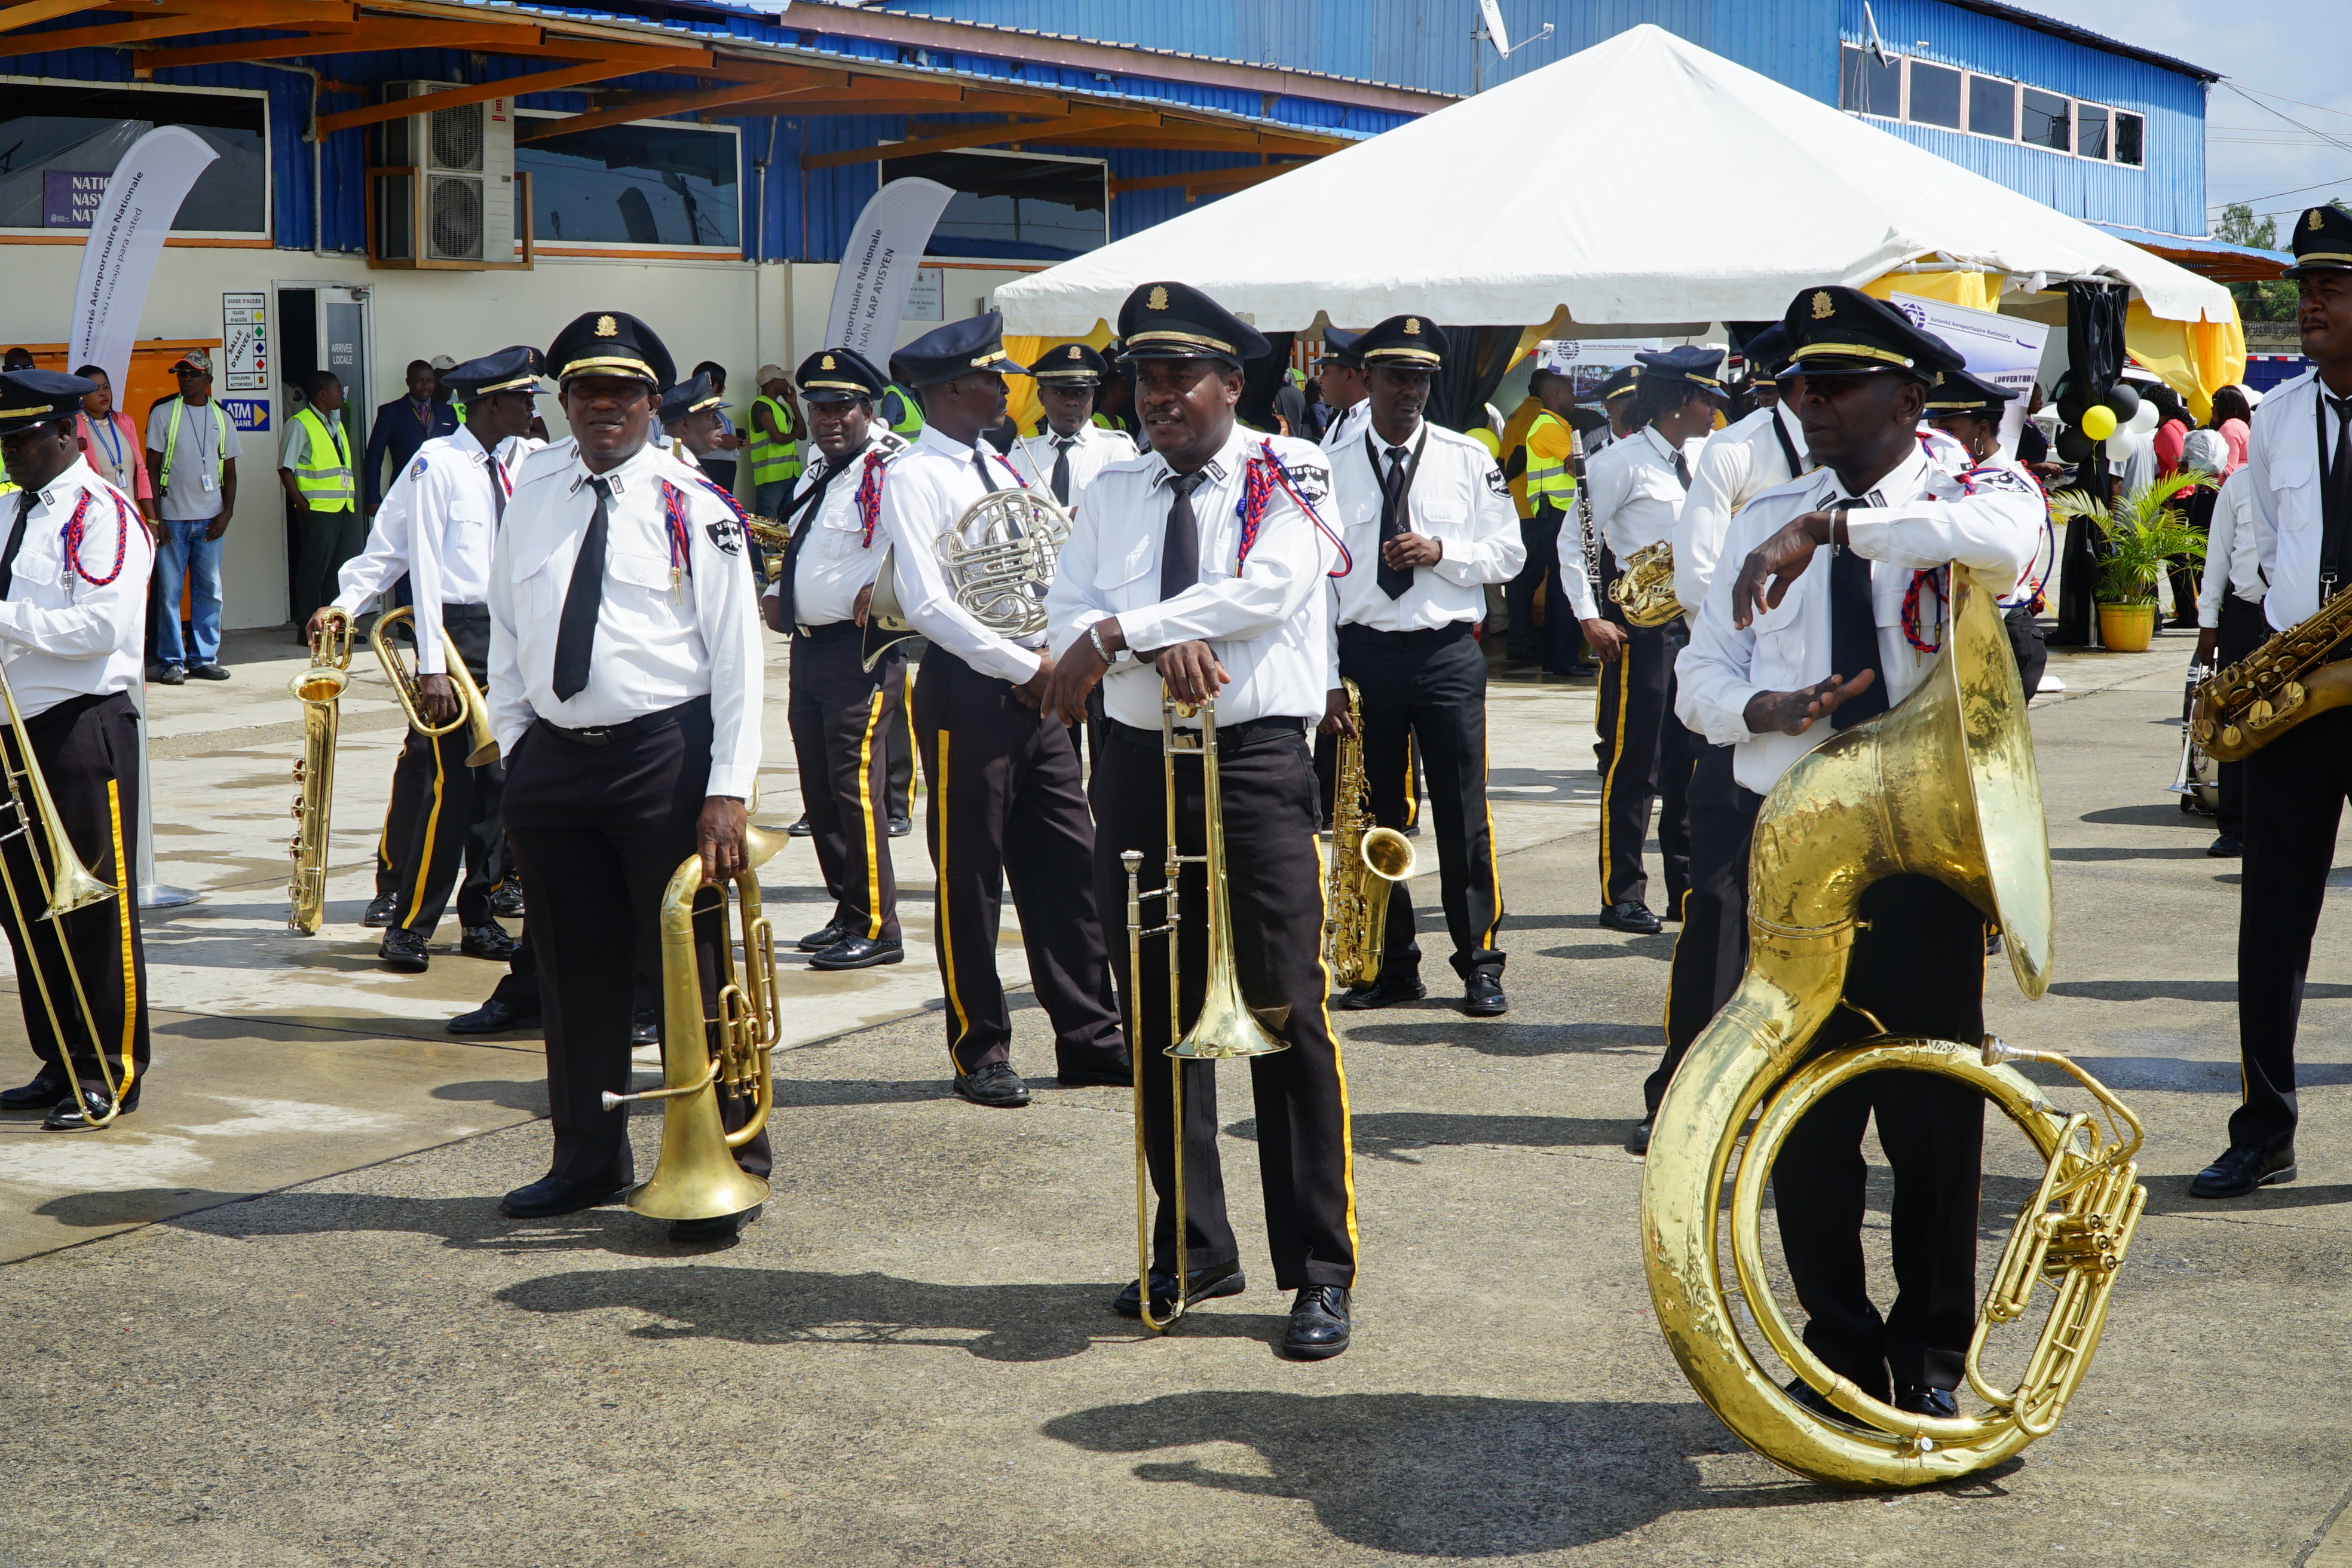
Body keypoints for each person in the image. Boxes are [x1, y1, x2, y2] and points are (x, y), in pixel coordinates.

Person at [1679, 284, 2043, 1419]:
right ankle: (1838, 1354)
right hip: (1790, 850)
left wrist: (1836, 527)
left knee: (1935, 1122)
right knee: (1807, 1128)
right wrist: (1763, 706)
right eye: (1801, 384)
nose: (1812, 402)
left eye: (1835, 384)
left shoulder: (1970, 485)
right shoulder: (1761, 508)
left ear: (1910, 395)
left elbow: (2006, 541)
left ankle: (1933, 1361)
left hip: (1919, 862)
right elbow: (1699, 674)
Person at [1040, 278, 1359, 1359]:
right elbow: (1062, 609)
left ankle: (1318, 1266)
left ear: (1233, 381)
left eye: (1180, 376)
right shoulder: (1117, 483)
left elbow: (1271, 586)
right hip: (1135, 762)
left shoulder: (1291, 464)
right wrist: (1140, 635)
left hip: (1255, 764)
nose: (1158, 395)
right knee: (1162, 1007)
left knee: (1283, 1008)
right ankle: (1192, 1242)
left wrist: (1127, 628)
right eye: (1145, 376)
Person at [486, 310, 765, 1241]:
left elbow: (738, 663)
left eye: (623, 391)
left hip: (665, 758)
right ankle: (587, 1159)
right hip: (556, 763)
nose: (604, 406)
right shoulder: (531, 492)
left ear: (654, 402)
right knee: (572, 972)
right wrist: (516, 745)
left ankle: (722, 1159)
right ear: (562, 402)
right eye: (586, 391)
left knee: (691, 969)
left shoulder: (699, 507)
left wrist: (728, 790)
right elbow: (508, 630)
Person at [869, 311, 1129, 1108]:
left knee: (1067, 867)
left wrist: (1056, 656)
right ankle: (980, 1049)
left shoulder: (1002, 465)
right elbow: (929, 604)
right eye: (991, 378)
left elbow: (1037, 565)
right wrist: (1030, 666)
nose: (1002, 389)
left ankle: (1091, 1038)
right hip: (970, 694)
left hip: (1039, 686)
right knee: (971, 880)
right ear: (954, 388)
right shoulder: (914, 476)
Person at [2190, 206, 2352, 1201]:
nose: (2313, 303)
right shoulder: (2282, 412)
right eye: (2307, 287)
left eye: (2333, 287)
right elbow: (2265, 558)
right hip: (2302, 686)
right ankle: (2265, 1129)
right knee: (2270, 921)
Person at [1626, 327, 1807, 1154]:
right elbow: (1699, 578)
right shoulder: (1733, 453)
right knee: (1719, 913)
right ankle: (1683, 1092)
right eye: (1812, 379)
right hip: (1743, 705)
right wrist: (1761, 668)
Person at [1321, 315, 1523, 1018]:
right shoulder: (1331, 462)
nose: (1410, 390)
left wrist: (1444, 552)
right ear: (1366, 381)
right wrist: (1324, 679)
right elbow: (1314, 583)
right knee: (1375, 819)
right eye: (1397, 377)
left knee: (1464, 813)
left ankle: (1480, 963)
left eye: (1422, 379)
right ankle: (1389, 965)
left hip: (1445, 654)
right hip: (1365, 656)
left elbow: (1510, 554)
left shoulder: (1469, 458)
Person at [317, 349, 538, 973]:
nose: (533, 409)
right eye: (523, 399)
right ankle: (411, 922)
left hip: (517, 635)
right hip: (458, 633)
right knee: (451, 786)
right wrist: (423, 658)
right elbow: (400, 554)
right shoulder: (436, 463)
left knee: (499, 788)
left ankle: (481, 915)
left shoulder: (531, 461)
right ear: (492, 402)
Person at [0, 370, 158, 1130]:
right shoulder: (5, 511)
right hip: (9, 731)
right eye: (3, 442)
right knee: (27, 907)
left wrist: (4, 619)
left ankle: (108, 1066)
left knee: (94, 903)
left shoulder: (105, 513)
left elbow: (101, 627)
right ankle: (59, 1056)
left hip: (79, 726)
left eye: (23, 439)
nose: (11, 455)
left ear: (67, 434)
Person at [761, 347, 911, 972]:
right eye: (818, 407)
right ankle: (848, 909)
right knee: (820, 790)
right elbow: (799, 544)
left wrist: (884, 589)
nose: (828, 419)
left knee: (856, 790)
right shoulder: (819, 468)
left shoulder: (893, 468)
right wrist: (776, 591)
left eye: (841, 407)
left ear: (867, 408)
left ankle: (878, 923)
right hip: (809, 647)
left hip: (861, 652)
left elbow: (924, 545)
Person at [1579, 347, 1719, 935]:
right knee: (1635, 764)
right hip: (1639, 628)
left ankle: (1683, 888)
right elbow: (1576, 541)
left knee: (1690, 765)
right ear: (1680, 401)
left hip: (1695, 629)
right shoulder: (1621, 461)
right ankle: (1623, 892)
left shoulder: (1706, 459)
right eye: (1707, 397)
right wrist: (1589, 615)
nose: (1716, 408)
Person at [142, 348, 237, 685]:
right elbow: (151, 469)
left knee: (209, 590)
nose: (186, 379)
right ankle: (171, 660)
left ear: (208, 379)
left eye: (193, 374)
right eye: (182, 374)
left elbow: (230, 471)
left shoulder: (222, 418)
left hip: (211, 520)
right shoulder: (164, 413)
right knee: (169, 592)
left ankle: (203, 658)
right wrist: (157, 519)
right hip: (173, 519)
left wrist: (227, 513)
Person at [2195, 465, 2266, 860]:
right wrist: (2208, 624)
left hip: (2297, 615)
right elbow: (2218, 555)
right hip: (2243, 613)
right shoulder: (2239, 484)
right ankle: (2235, 828)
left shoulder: (2315, 479)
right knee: (2236, 720)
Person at [1505, 368, 1595, 677]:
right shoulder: (1547, 426)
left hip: (1556, 511)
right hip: (1554, 511)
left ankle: (1560, 657)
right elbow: (1577, 467)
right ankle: (1562, 658)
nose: (1574, 398)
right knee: (1564, 582)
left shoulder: (1556, 424)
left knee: (1562, 582)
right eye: (1570, 392)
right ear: (1556, 395)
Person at [1004, 342, 1138, 507]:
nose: (1072, 402)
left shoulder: (1115, 451)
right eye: (1061, 392)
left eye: (1081, 393)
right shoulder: (1022, 456)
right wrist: (1079, 514)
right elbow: (1012, 516)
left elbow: (1123, 512)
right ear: (1041, 396)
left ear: (1093, 396)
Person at [281, 372, 362, 631]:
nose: (342, 393)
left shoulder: (335, 423)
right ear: (322, 394)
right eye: (338, 389)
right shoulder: (300, 423)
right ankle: (307, 625)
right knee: (313, 570)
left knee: (339, 572)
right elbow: (285, 468)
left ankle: (335, 625)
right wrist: (300, 504)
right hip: (317, 510)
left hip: (342, 508)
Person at [363, 360, 458, 522]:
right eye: (420, 381)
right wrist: (373, 497)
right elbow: (374, 456)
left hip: (441, 491)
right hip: (404, 491)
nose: (425, 386)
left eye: (430, 381)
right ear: (408, 382)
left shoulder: (448, 412)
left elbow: (457, 453)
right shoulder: (390, 412)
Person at [72, 365, 157, 530]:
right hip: (96, 523)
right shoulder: (73, 426)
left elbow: (141, 473)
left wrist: (152, 521)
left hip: (131, 519)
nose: (103, 393)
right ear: (80, 395)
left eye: (106, 387)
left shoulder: (125, 422)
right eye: (95, 389)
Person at [746, 363, 805, 522]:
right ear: (773, 382)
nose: (787, 383)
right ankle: (759, 549)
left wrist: (793, 404)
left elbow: (803, 435)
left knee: (788, 524)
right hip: (771, 478)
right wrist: (795, 434)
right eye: (783, 380)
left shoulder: (781, 408)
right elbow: (778, 438)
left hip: (791, 474)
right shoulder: (761, 406)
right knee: (767, 524)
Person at [688, 360, 744, 494]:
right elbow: (691, 434)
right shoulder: (695, 407)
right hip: (710, 464)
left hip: (725, 465)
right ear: (709, 383)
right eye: (721, 383)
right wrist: (723, 441)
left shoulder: (717, 408)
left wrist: (736, 441)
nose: (724, 388)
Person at [1316, 330, 1370, 455]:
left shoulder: (1373, 425)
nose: (1320, 380)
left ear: (1349, 376)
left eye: (1326, 372)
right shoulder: (1345, 416)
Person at [659, 373, 727, 468]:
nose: (720, 424)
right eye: (711, 416)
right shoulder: (671, 466)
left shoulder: (681, 463)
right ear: (685, 424)